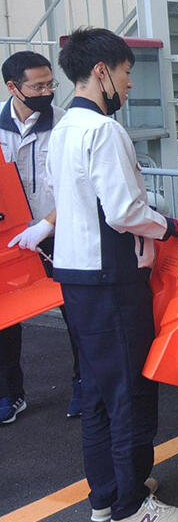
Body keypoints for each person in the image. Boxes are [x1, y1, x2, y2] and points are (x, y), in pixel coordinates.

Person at [47, 28, 178, 522]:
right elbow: (125, 210)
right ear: (103, 72)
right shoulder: (104, 131)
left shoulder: (62, 129)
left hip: (77, 277)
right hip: (112, 278)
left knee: (98, 391)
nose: (131, 84)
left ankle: (107, 494)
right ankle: (132, 508)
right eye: (128, 72)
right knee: (130, 389)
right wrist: (172, 225)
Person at [1, 51, 86, 423]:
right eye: (37, 85)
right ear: (13, 87)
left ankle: (85, 382)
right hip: (10, 238)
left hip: (58, 230)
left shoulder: (66, 124)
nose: (47, 91)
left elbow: (75, 185)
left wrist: (47, 224)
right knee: (6, 318)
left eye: (50, 83)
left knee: (77, 311)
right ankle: (9, 393)